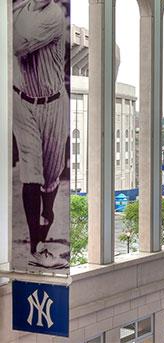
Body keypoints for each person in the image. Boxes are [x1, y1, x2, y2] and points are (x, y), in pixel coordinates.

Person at [12, 0, 70, 269]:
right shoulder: (18, 11)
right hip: (23, 103)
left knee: (52, 174)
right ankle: (37, 248)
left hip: (54, 104)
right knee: (31, 173)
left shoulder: (55, 14)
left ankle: (47, 213)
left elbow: (19, 44)